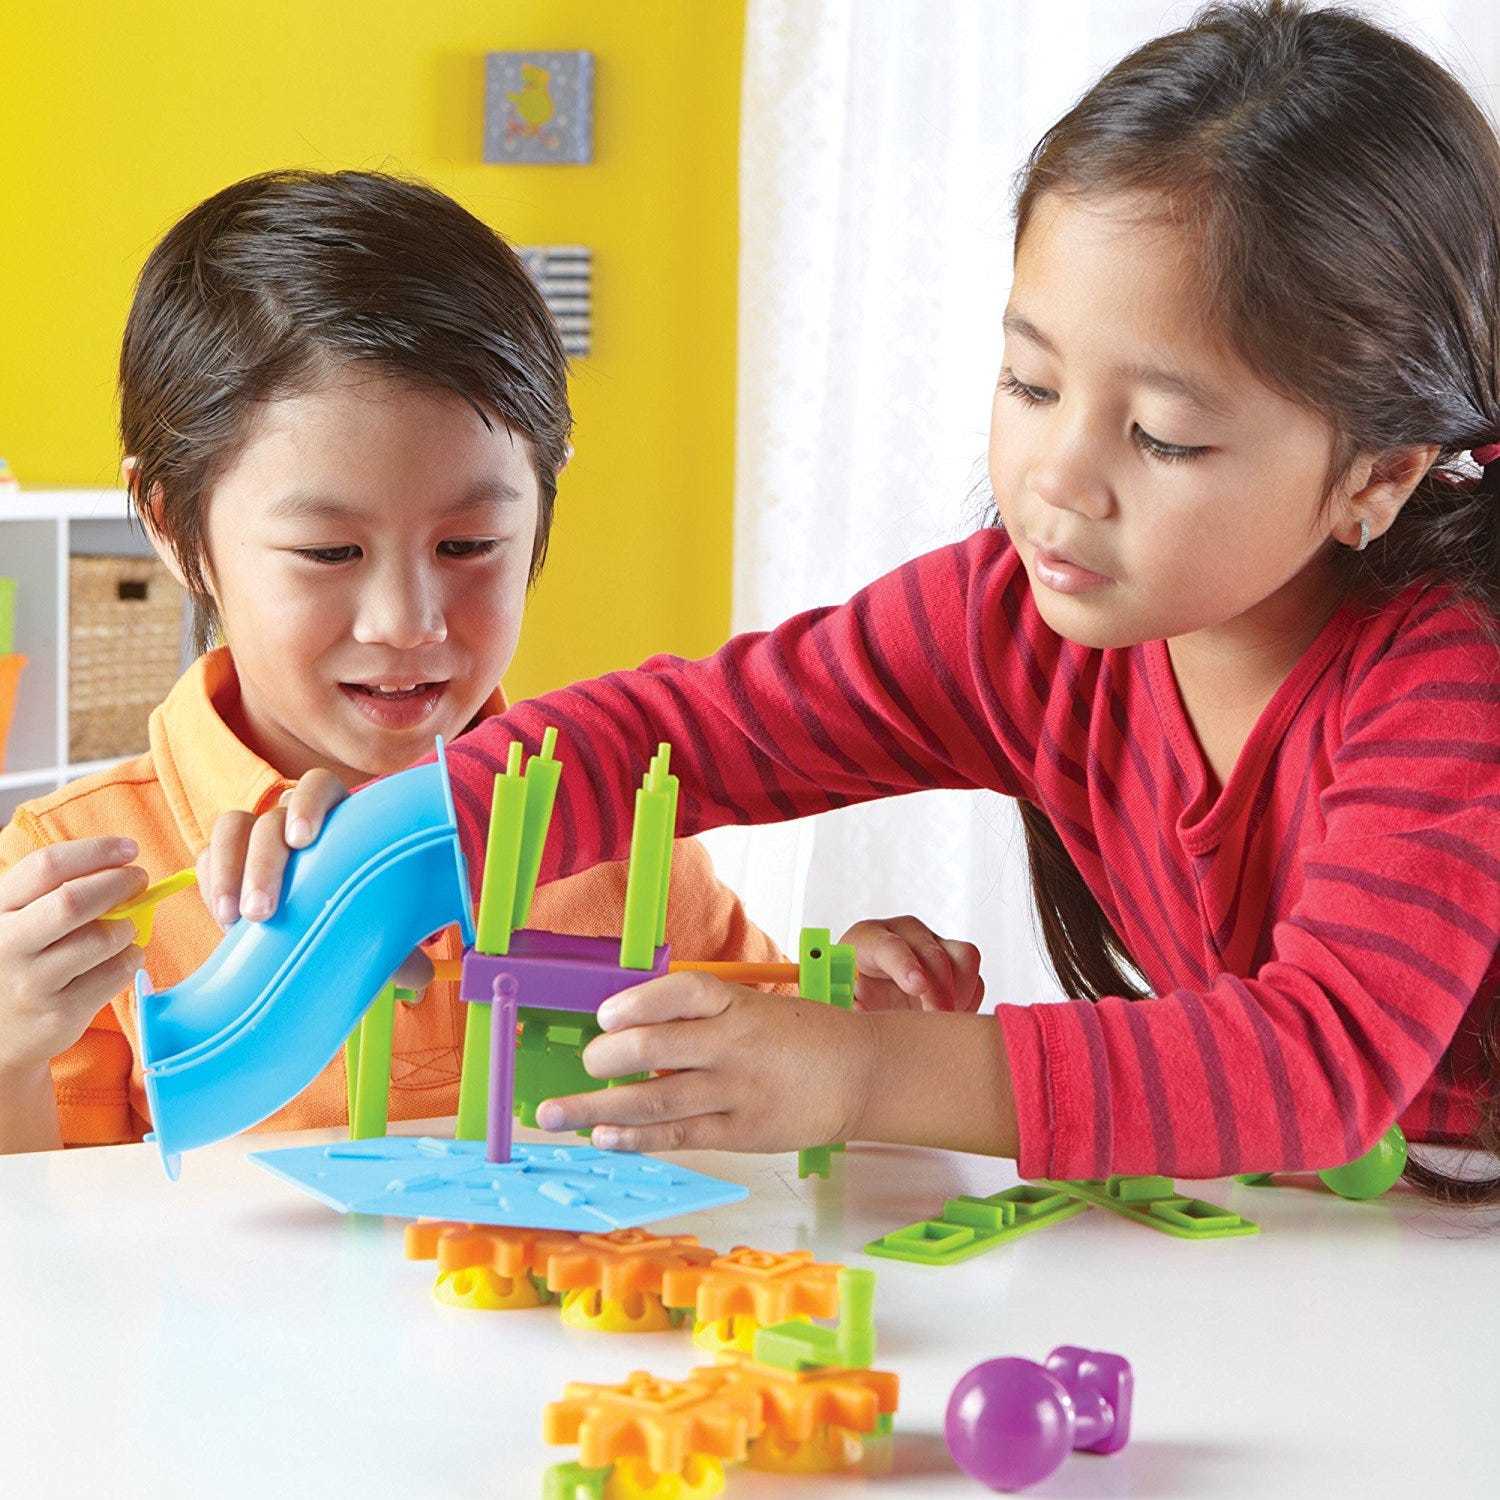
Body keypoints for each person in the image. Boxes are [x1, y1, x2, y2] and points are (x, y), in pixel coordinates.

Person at [207, 2, 1500, 1200]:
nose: (1057, 478)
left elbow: (1316, 1063)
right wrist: (408, 839)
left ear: (1378, 473)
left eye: (1162, 434)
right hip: (1318, 1231)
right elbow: (693, 732)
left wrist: (864, 1071)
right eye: (1031, 385)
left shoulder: (1450, 680)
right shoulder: (1013, 622)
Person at [0, 169, 890, 1155]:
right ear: (171, 525)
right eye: (329, 552)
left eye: (468, 546)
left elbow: (761, 1115)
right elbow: (45, 1225)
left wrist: (852, 1025)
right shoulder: (73, 883)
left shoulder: (629, 844)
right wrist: (9, 1057)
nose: (407, 623)